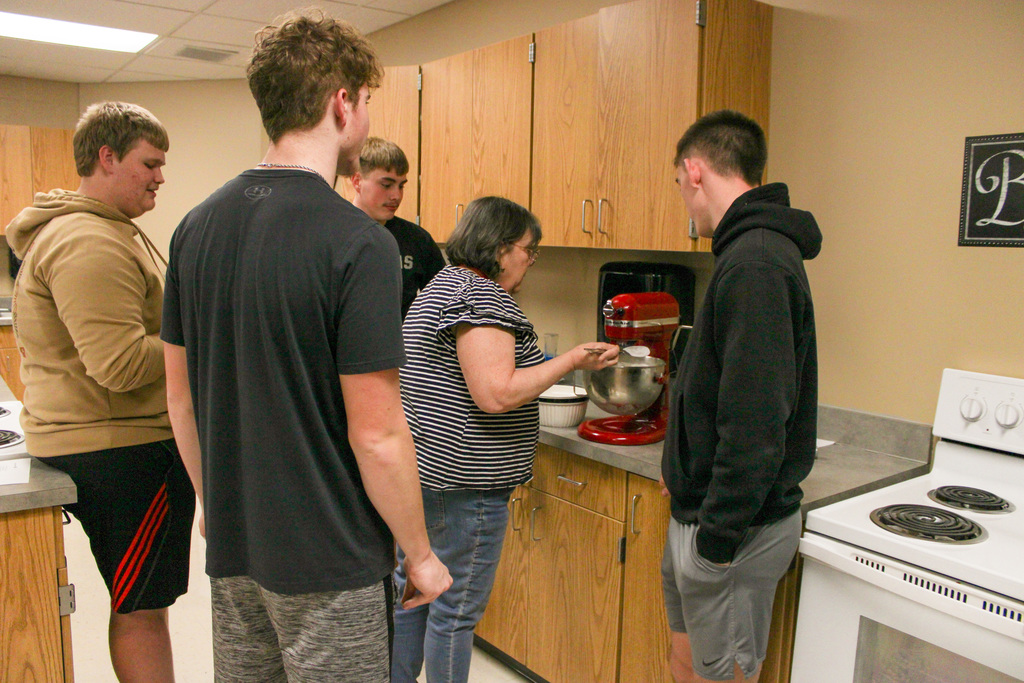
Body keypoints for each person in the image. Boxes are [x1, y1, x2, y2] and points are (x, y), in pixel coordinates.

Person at [160, 12, 451, 683]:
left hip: (236, 549)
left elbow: (180, 394)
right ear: (340, 102)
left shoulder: (194, 228)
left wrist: (213, 501)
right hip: (330, 561)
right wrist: (421, 553)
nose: (367, 118)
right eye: (367, 100)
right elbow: (377, 433)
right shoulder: (358, 242)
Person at [392, 195, 619, 683]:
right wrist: (572, 359)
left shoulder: (441, 286)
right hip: (465, 487)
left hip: (422, 476)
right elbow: (495, 394)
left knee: (414, 599)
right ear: (498, 247)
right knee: (454, 612)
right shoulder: (481, 299)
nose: (530, 262)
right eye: (528, 250)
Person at [7, 101, 193, 683]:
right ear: (107, 158)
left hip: (110, 444)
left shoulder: (103, 231)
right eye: (150, 163)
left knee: (140, 603)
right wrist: (204, 342)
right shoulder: (90, 241)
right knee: (140, 609)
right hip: (123, 451)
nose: (161, 176)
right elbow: (117, 364)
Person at [660, 110, 822, 683]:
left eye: (680, 187)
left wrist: (716, 542)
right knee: (689, 661)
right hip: (701, 516)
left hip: (732, 532)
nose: (685, 202)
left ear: (695, 170)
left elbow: (755, 423)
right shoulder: (742, 253)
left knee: (723, 675)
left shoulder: (754, 263)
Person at [350, 137, 445, 318]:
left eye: (401, 186)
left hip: (400, 345)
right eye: (386, 185)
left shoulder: (418, 240)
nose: (396, 195)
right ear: (357, 181)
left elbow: (443, 305)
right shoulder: (335, 233)